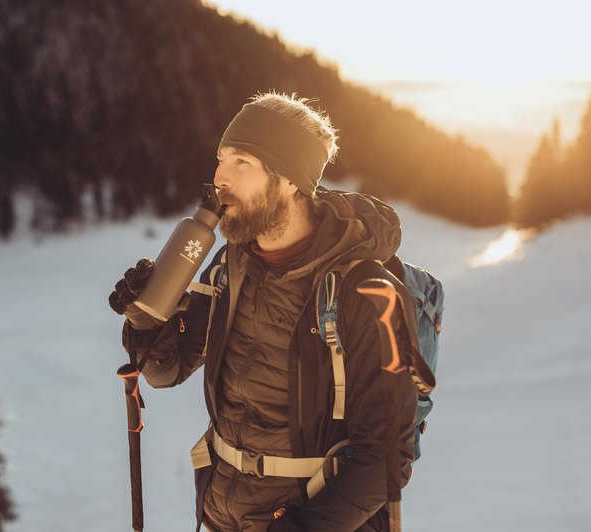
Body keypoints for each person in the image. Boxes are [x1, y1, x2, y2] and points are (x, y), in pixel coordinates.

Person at [109, 92, 419, 531]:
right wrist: (145, 320)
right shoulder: (229, 267)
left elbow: (386, 458)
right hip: (221, 517)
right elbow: (166, 370)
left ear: (291, 180)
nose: (220, 178)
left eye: (242, 163)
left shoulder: (364, 289)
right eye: (220, 159)